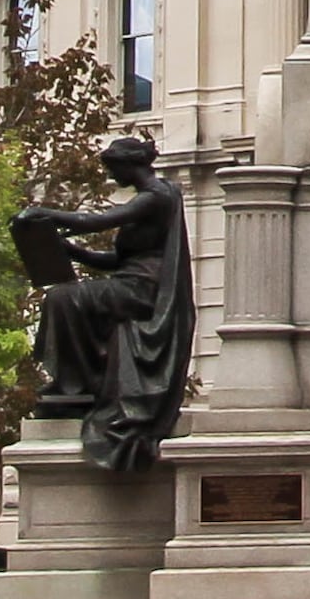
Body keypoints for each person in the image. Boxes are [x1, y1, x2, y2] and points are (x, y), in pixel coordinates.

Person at [15, 136, 196, 472]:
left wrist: (44, 213)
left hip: (144, 292)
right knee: (64, 297)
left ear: (131, 164)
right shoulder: (150, 198)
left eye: (114, 169)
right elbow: (117, 260)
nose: (112, 177)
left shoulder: (157, 195)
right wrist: (72, 253)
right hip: (128, 283)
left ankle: (74, 384)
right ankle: (77, 383)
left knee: (62, 298)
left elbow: (99, 222)